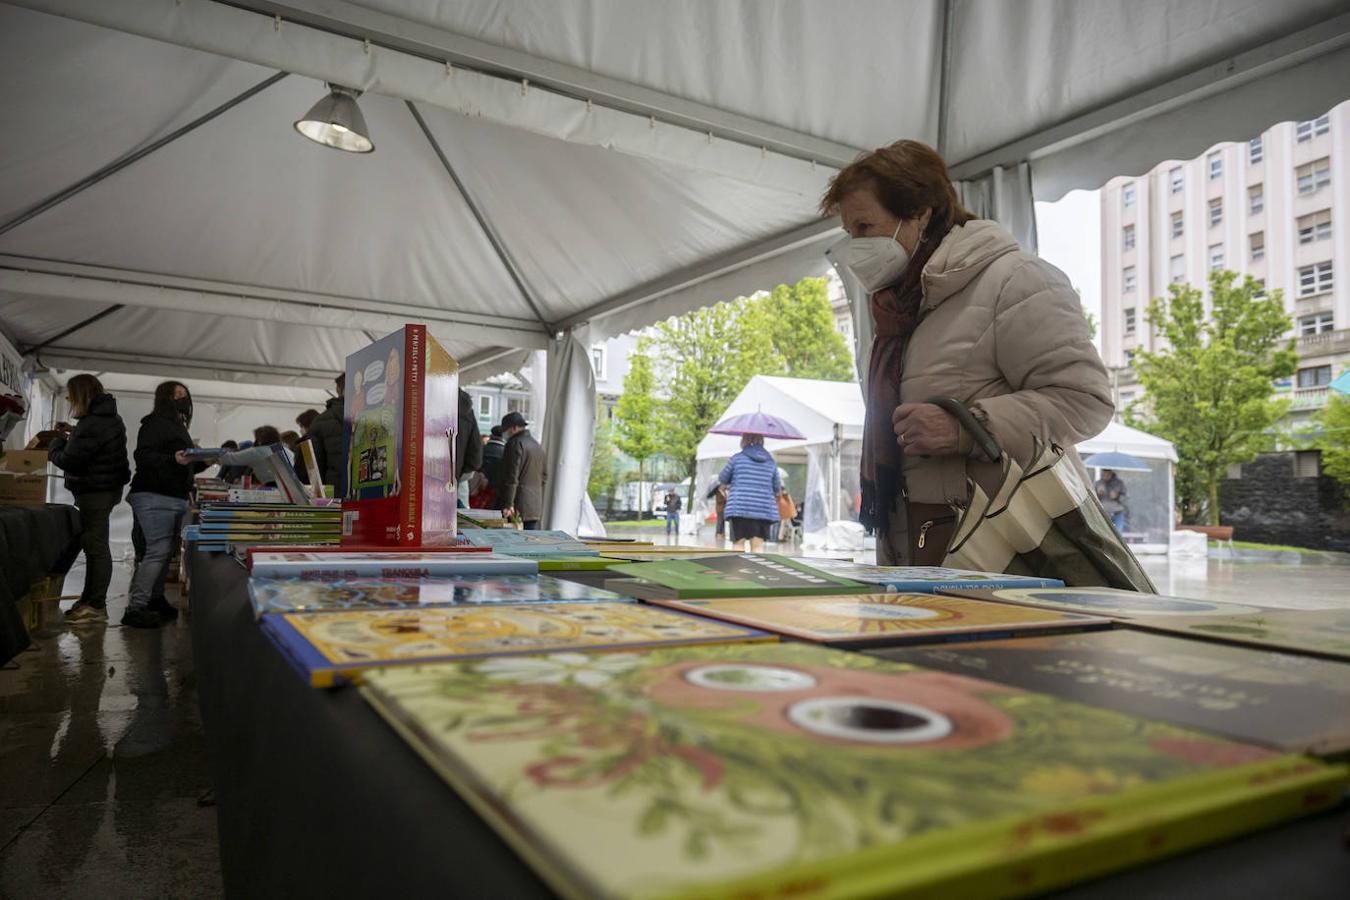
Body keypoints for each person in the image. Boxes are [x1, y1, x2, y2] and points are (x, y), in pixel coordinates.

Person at [820, 140, 1112, 565]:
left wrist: (967, 428)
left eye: (864, 227)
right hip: (914, 536)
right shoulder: (896, 309)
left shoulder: (1015, 280)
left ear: (920, 212)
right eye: (849, 233)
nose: (855, 247)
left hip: (999, 542)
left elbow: (1086, 400)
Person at [46, 375, 130, 625]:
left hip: (95, 492)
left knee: (96, 548)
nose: (70, 400)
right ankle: (90, 601)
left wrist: (56, 443)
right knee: (94, 546)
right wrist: (74, 433)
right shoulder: (109, 418)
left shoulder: (92, 423)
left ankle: (95, 605)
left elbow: (70, 460)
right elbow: (96, 445)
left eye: (71, 396)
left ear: (81, 395)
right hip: (106, 490)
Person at [125, 380, 199, 628]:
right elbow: (143, 456)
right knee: (157, 550)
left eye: (185, 395)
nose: (183, 398)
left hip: (172, 495)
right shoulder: (155, 423)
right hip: (155, 495)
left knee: (163, 551)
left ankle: (154, 599)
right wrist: (173, 458)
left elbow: (182, 463)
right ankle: (136, 607)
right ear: (164, 398)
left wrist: (202, 459)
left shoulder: (176, 425)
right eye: (177, 394)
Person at [719, 434, 781, 553]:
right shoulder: (771, 462)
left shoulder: (737, 458)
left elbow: (723, 478)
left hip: (740, 507)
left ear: (744, 440)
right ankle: (755, 571)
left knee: (738, 544)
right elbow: (777, 488)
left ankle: (737, 571)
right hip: (763, 509)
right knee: (757, 546)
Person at [499, 412, 546, 529]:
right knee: (529, 543)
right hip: (535, 505)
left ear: (515, 427)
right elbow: (544, 476)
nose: (505, 433)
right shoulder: (537, 445)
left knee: (512, 544)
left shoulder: (514, 443)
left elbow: (511, 477)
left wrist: (508, 503)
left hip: (516, 506)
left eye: (506, 429)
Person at [307, 373, 346, 495]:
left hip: (335, 496)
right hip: (373, 497)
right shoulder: (376, 417)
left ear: (338, 389)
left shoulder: (321, 420)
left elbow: (315, 470)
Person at [454, 390, 483, 508]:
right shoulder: (467, 412)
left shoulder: (422, 399)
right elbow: (475, 457)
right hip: (454, 485)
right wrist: (458, 473)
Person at [481, 424, 507, 505]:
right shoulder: (506, 452)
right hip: (498, 490)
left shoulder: (482, 449)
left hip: (480, 488)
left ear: (491, 435)